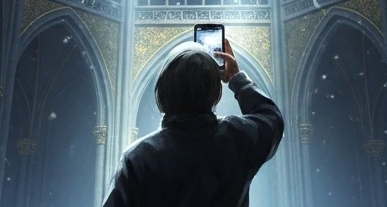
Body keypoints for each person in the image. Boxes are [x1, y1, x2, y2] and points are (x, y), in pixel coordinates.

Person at [102, 36, 283, 207]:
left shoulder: (136, 158)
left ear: (162, 91)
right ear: (218, 94)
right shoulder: (238, 139)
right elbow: (271, 118)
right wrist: (237, 79)